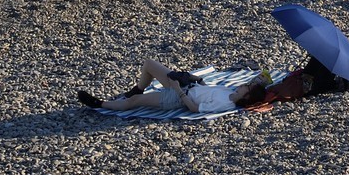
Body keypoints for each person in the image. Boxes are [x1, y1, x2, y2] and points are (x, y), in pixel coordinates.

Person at [76, 59, 261, 115]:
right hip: (185, 86)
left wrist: (178, 90)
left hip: (177, 98)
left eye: (248, 87)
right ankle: (138, 88)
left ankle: (100, 104)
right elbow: (205, 88)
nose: (245, 84)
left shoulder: (225, 105)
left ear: (247, 97)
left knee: (134, 102)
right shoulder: (228, 91)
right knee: (148, 64)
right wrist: (194, 78)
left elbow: (195, 108)